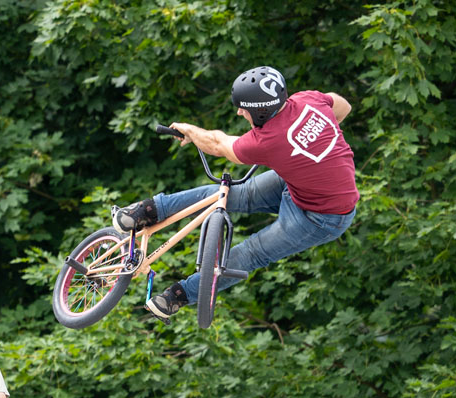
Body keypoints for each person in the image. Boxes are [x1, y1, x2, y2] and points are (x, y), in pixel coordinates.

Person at [112, 65, 359, 320]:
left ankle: (179, 295)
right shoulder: (308, 100)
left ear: (262, 112)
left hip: (322, 217)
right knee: (223, 192)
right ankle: (149, 210)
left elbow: (219, 145)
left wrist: (191, 131)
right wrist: (313, 140)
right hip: (296, 183)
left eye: (244, 108)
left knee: (252, 253)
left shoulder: (270, 139)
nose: (240, 112)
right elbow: (342, 106)